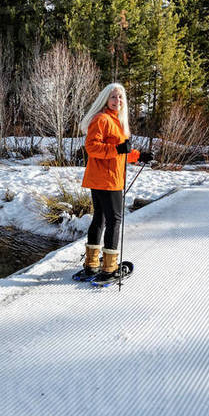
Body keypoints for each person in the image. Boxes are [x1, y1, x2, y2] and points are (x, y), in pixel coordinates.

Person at [76, 83, 153, 279]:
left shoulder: (114, 120)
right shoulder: (102, 119)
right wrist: (118, 150)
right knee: (114, 221)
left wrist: (138, 155)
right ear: (105, 99)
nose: (117, 101)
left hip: (103, 179)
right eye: (113, 97)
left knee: (100, 219)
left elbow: (120, 152)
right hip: (108, 180)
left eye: (120, 97)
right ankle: (109, 268)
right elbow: (92, 148)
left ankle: (92, 264)